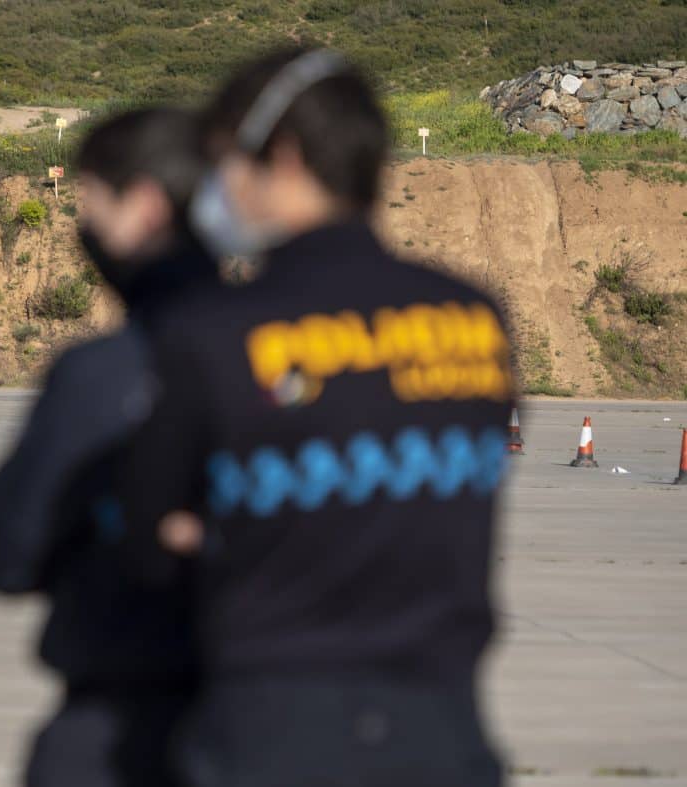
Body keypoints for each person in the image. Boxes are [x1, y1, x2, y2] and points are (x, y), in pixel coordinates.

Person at [119, 48, 514, 787]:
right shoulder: (477, 320)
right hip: (445, 733)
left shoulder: (213, 331)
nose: (221, 190)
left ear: (287, 156)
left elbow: (147, 534)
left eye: (227, 163)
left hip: (271, 730)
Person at [0, 107, 221, 787]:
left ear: (145, 206)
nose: (85, 227)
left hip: (123, 727)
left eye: (92, 202)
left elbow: (8, 552)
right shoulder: (290, 360)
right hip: (274, 719)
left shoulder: (103, 375)